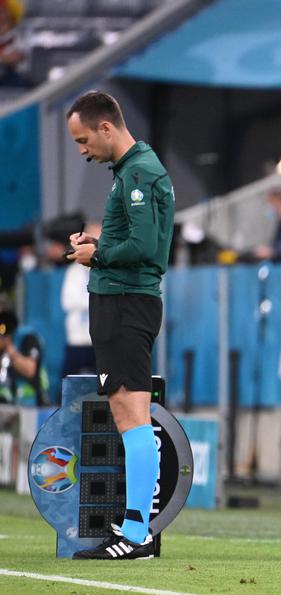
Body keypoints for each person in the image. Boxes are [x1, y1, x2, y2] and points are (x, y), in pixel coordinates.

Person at [64, 91, 175, 560]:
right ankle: (134, 528)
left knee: (133, 415)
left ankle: (137, 533)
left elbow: (147, 246)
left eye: (84, 140)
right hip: (123, 301)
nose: (82, 150)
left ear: (106, 128)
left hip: (127, 304)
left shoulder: (138, 172)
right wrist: (100, 242)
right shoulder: (131, 170)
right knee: (128, 414)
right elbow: (136, 237)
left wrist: (99, 254)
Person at [61, 223, 102, 377]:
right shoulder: (74, 271)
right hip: (78, 338)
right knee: (70, 383)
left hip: (100, 339)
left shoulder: (107, 269)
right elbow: (68, 302)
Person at [0, 308, 49, 407]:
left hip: (32, 403)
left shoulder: (28, 337)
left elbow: (30, 370)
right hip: (7, 403)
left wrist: (9, 348)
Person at [0, 0, 28, 88]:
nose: (1, 17)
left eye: (3, 12)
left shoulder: (18, 38)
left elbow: (16, 58)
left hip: (12, 82)